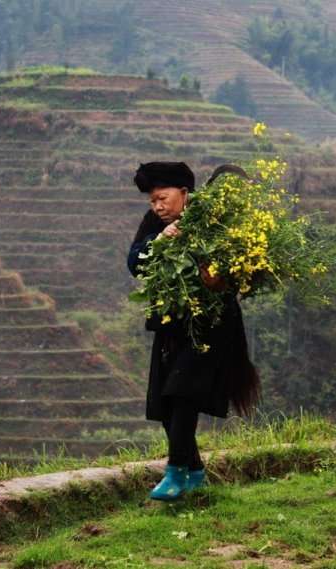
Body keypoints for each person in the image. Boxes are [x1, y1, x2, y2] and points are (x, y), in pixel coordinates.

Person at [127, 161, 260, 501]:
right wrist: (158, 240)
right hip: (172, 322)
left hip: (212, 323)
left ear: (185, 194)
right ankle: (195, 472)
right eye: (152, 200)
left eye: (162, 198)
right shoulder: (154, 224)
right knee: (165, 401)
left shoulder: (211, 219)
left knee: (182, 391)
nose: (157, 206)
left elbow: (237, 266)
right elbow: (134, 261)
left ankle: (174, 472)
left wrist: (219, 279)